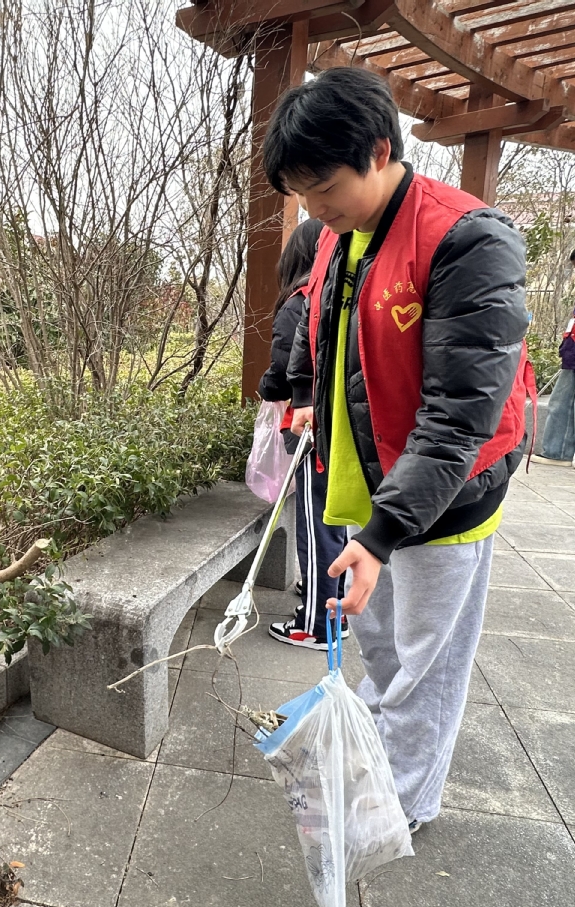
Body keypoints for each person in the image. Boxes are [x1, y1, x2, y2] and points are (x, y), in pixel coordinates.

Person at [263, 67, 534, 833]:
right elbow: (321, 329)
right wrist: (305, 394)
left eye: (323, 187)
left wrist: (383, 533)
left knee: (425, 666)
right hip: (362, 481)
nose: (313, 209)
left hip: (443, 495)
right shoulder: (336, 234)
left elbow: (460, 414)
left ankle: (402, 807)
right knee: (380, 652)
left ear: (379, 150)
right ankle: (376, 769)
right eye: (301, 194)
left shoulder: (467, 238)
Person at [258, 217, 349, 649]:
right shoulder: (341, 295)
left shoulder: (301, 302)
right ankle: (328, 597)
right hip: (340, 427)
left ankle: (317, 623)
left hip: (311, 430)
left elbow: (280, 375)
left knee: (315, 525)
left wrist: (266, 387)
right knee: (334, 521)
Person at [531, 251, 575, 467]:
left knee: (561, 404)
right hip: (571, 357)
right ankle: (558, 450)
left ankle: (557, 451)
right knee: (562, 403)